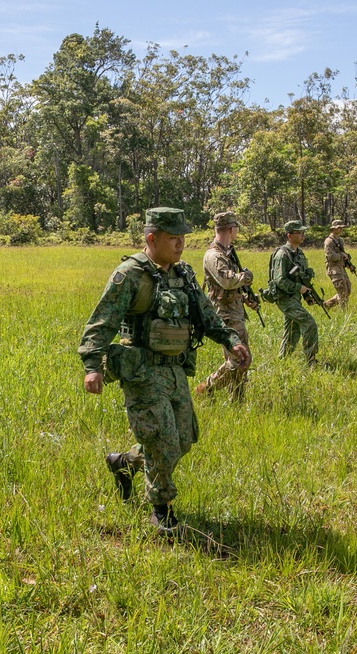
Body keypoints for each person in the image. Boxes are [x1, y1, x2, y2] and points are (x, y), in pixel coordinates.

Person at [78, 207, 250, 534]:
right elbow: (102, 322)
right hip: (141, 370)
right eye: (173, 238)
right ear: (151, 238)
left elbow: (207, 317)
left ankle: (125, 463)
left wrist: (230, 340)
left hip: (174, 370)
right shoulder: (129, 275)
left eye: (183, 237)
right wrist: (92, 366)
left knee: (184, 438)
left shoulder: (183, 274)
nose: (181, 244)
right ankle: (162, 512)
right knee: (161, 438)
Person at [197, 211, 256, 400]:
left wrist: (245, 298)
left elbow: (229, 289)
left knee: (240, 359)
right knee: (240, 358)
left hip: (234, 310)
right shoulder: (214, 256)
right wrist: (245, 277)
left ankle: (237, 399)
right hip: (225, 315)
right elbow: (226, 281)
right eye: (236, 228)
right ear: (231, 229)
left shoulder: (226, 253)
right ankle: (207, 388)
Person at [269, 220, 319, 366]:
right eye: (299, 232)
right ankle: (311, 361)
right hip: (284, 298)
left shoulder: (299, 253)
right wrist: (298, 288)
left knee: (292, 330)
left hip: (295, 298)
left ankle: (282, 362)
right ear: (289, 235)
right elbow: (279, 280)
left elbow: (302, 277)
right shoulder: (282, 255)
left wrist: (306, 293)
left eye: (303, 232)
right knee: (309, 324)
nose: (303, 235)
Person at [323, 220, 351, 310]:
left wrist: (348, 263)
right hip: (334, 268)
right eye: (339, 227)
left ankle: (328, 304)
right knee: (342, 291)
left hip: (341, 267)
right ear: (334, 229)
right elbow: (330, 256)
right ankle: (344, 312)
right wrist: (341, 256)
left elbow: (342, 252)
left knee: (348, 289)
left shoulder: (340, 240)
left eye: (341, 227)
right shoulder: (328, 241)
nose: (341, 229)